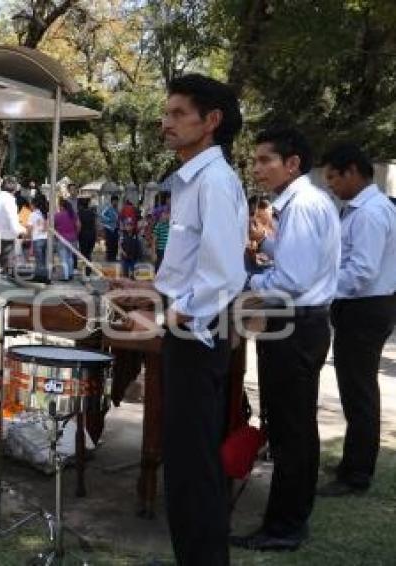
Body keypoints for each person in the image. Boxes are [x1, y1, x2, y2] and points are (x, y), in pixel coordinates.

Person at [111, 73, 247, 565]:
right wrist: (147, 291)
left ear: (210, 122)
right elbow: (192, 272)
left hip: (196, 342)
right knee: (186, 470)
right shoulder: (192, 180)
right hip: (185, 337)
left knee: (194, 473)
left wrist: (165, 319)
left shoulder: (214, 181)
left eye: (176, 114)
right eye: (164, 112)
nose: (164, 122)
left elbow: (222, 278)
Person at [234, 128, 341, 552]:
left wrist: (240, 281)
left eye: (265, 160)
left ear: (292, 163)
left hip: (294, 323)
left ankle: (285, 527)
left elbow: (290, 280)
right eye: (256, 160)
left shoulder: (302, 206)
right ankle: (290, 517)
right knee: (293, 427)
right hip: (298, 322)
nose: (258, 168)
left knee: (291, 431)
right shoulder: (301, 203)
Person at [318, 143, 396, 496]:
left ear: (352, 171)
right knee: (355, 390)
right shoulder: (359, 209)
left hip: (365, 308)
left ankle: (357, 474)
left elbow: (361, 271)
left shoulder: (369, 212)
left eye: (333, 177)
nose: (330, 184)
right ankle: (353, 461)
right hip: (361, 307)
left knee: (359, 392)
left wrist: (318, 288)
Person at [53, 198, 79, 281]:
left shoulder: (57, 215)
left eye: (60, 206)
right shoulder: (73, 214)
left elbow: (53, 226)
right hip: (72, 238)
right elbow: (78, 225)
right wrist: (75, 234)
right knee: (70, 256)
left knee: (63, 257)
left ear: (62, 207)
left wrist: (56, 235)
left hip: (62, 238)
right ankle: (71, 274)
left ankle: (65, 276)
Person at [28, 195, 49, 281]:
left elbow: (29, 228)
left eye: (31, 204)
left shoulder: (33, 214)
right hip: (46, 238)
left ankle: (41, 277)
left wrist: (27, 236)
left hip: (37, 238)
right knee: (43, 259)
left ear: (34, 205)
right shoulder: (45, 213)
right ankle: (44, 275)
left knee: (39, 259)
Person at [77, 198, 97, 277]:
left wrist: (77, 234)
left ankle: (86, 269)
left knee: (84, 253)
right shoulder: (92, 213)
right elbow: (95, 224)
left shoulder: (79, 213)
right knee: (89, 252)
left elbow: (79, 225)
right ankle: (88, 268)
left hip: (83, 235)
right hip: (92, 234)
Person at [100, 195, 120, 261]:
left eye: (116, 201)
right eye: (114, 201)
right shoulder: (108, 208)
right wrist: (109, 219)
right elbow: (102, 215)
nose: (115, 203)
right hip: (109, 228)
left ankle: (114, 257)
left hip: (116, 228)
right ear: (112, 202)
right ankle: (109, 257)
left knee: (115, 243)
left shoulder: (117, 209)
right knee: (109, 243)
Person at [152, 205, 170, 270]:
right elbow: (154, 240)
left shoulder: (170, 225)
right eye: (165, 213)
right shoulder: (158, 226)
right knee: (159, 266)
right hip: (160, 250)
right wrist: (154, 253)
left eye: (168, 213)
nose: (167, 215)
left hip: (168, 250)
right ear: (160, 215)